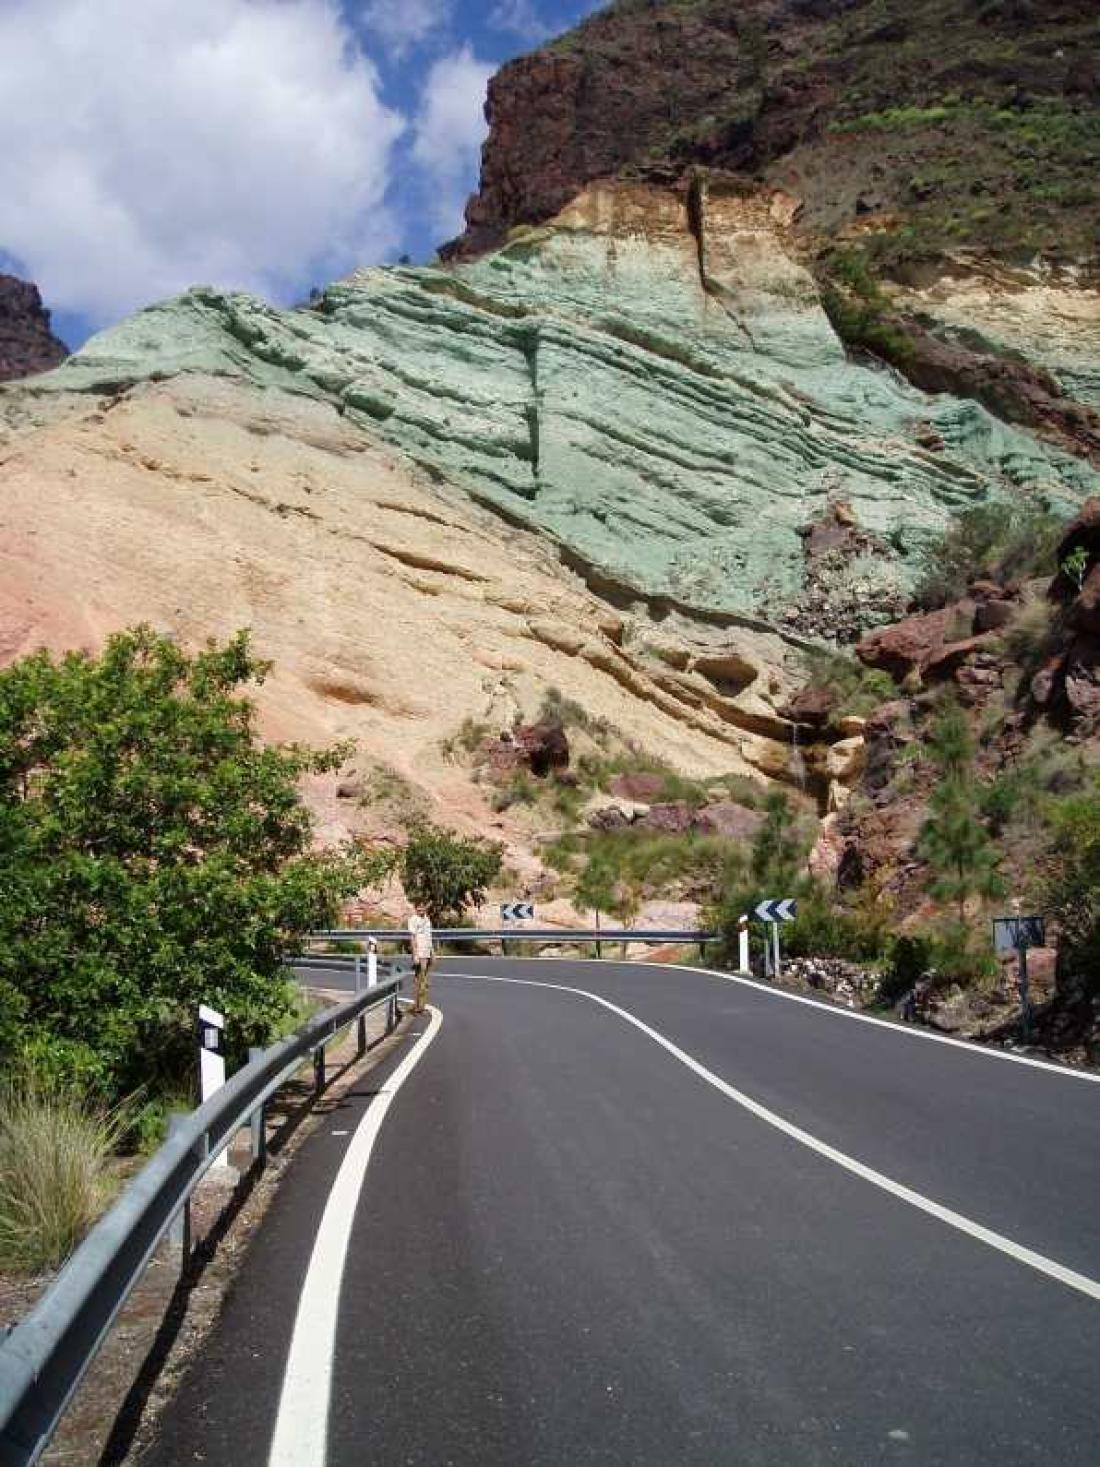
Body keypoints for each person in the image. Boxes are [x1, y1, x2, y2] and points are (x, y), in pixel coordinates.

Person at [407, 902, 434, 1014]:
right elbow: (412, 939)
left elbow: (429, 936)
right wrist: (415, 955)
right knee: (421, 980)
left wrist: (433, 952)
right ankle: (418, 1007)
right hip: (420, 952)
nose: (421, 910)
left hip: (427, 951)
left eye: (422, 908)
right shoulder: (413, 920)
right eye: (419, 909)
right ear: (416, 909)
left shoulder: (427, 920)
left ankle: (419, 1006)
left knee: (425, 980)